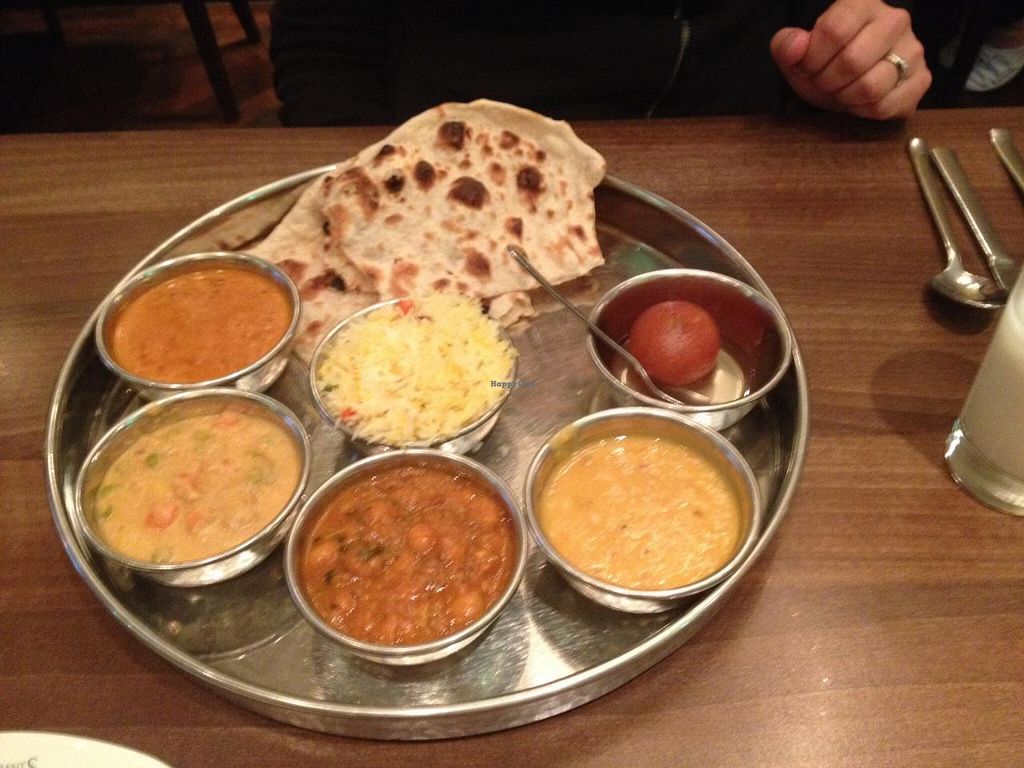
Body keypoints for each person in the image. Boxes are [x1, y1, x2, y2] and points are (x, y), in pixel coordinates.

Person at [269, 0, 931, 126]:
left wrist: (857, 64)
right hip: (445, 159)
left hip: (732, 176)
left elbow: (830, 23)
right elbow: (324, 41)